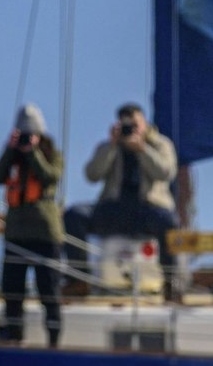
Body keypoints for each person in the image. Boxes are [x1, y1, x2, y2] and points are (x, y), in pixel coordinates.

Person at [64, 101, 179, 293]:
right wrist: (111, 146)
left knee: (169, 221)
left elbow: (165, 172)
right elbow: (92, 174)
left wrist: (142, 149)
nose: (130, 130)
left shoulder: (160, 144)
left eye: (134, 125)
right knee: (74, 215)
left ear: (144, 123)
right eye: (126, 125)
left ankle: (170, 282)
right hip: (114, 207)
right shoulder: (111, 145)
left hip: (148, 208)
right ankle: (79, 278)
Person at [0, 104, 66, 346]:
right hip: (16, 233)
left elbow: (50, 176)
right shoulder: (13, 156)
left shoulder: (52, 154)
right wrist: (10, 150)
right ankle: (14, 336)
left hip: (45, 233)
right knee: (12, 290)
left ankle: (53, 340)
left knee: (48, 291)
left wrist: (33, 152)